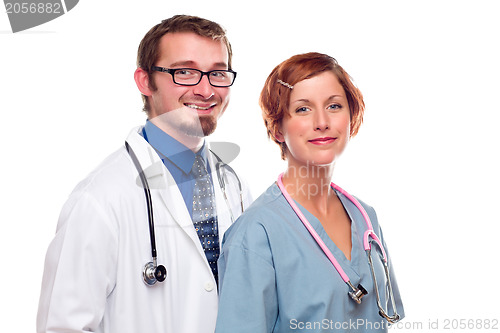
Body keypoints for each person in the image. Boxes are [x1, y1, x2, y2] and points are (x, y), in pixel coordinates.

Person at [36, 15, 252, 333]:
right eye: (186, 72)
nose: (206, 89)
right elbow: (63, 327)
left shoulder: (234, 187)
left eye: (217, 73)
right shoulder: (100, 199)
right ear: (145, 81)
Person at [215, 52, 404, 332]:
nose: (322, 121)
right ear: (277, 127)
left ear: (351, 117)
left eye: (335, 106)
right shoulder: (255, 233)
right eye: (303, 109)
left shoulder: (366, 217)